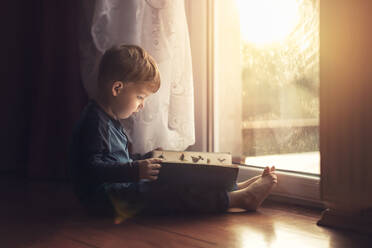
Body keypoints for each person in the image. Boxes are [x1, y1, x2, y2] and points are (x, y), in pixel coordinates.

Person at [69, 44, 278, 223]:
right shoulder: (94, 123)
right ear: (117, 88)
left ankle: (230, 188)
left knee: (173, 176)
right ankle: (237, 200)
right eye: (140, 97)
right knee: (166, 193)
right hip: (105, 201)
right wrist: (135, 170)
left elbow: (118, 160)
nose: (142, 105)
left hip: (119, 190)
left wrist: (146, 158)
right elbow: (92, 170)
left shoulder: (110, 120)